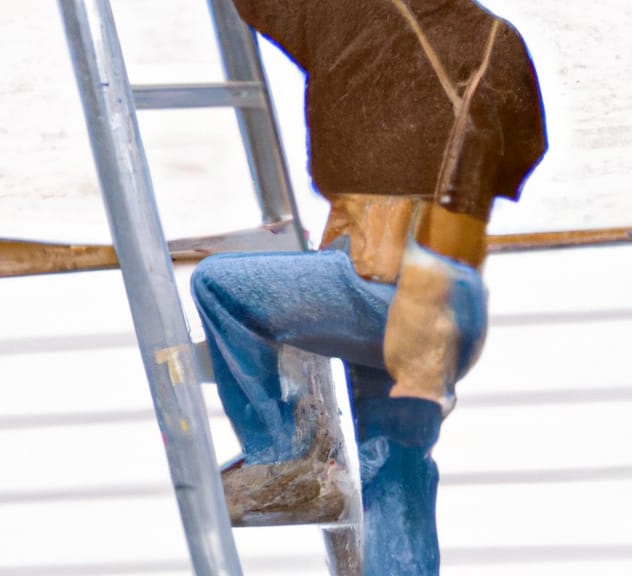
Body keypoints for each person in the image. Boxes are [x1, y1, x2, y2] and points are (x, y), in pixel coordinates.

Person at [191, 1, 547, 573]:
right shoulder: (497, 37)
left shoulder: (353, 14)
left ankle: (284, 458)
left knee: (219, 286)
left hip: (380, 286)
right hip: (452, 301)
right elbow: (526, 151)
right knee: (396, 464)